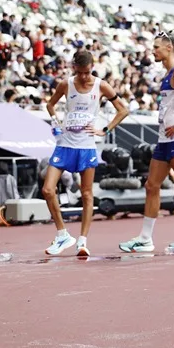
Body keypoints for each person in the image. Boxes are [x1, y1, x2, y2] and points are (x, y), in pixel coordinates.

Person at [119, 32, 174, 253]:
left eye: (156, 47)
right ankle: (146, 238)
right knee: (151, 185)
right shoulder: (169, 73)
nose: (153, 51)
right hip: (164, 138)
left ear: (169, 48)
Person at [43, 51, 128, 256]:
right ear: (74, 68)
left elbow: (123, 110)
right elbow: (50, 104)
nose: (83, 77)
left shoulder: (102, 85)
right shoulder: (66, 84)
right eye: (79, 72)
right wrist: (56, 122)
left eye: (87, 72)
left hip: (86, 146)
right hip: (65, 144)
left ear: (92, 67)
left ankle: (82, 242)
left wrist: (104, 130)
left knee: (87, 194)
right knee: (47, 190)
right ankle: (62, 235)